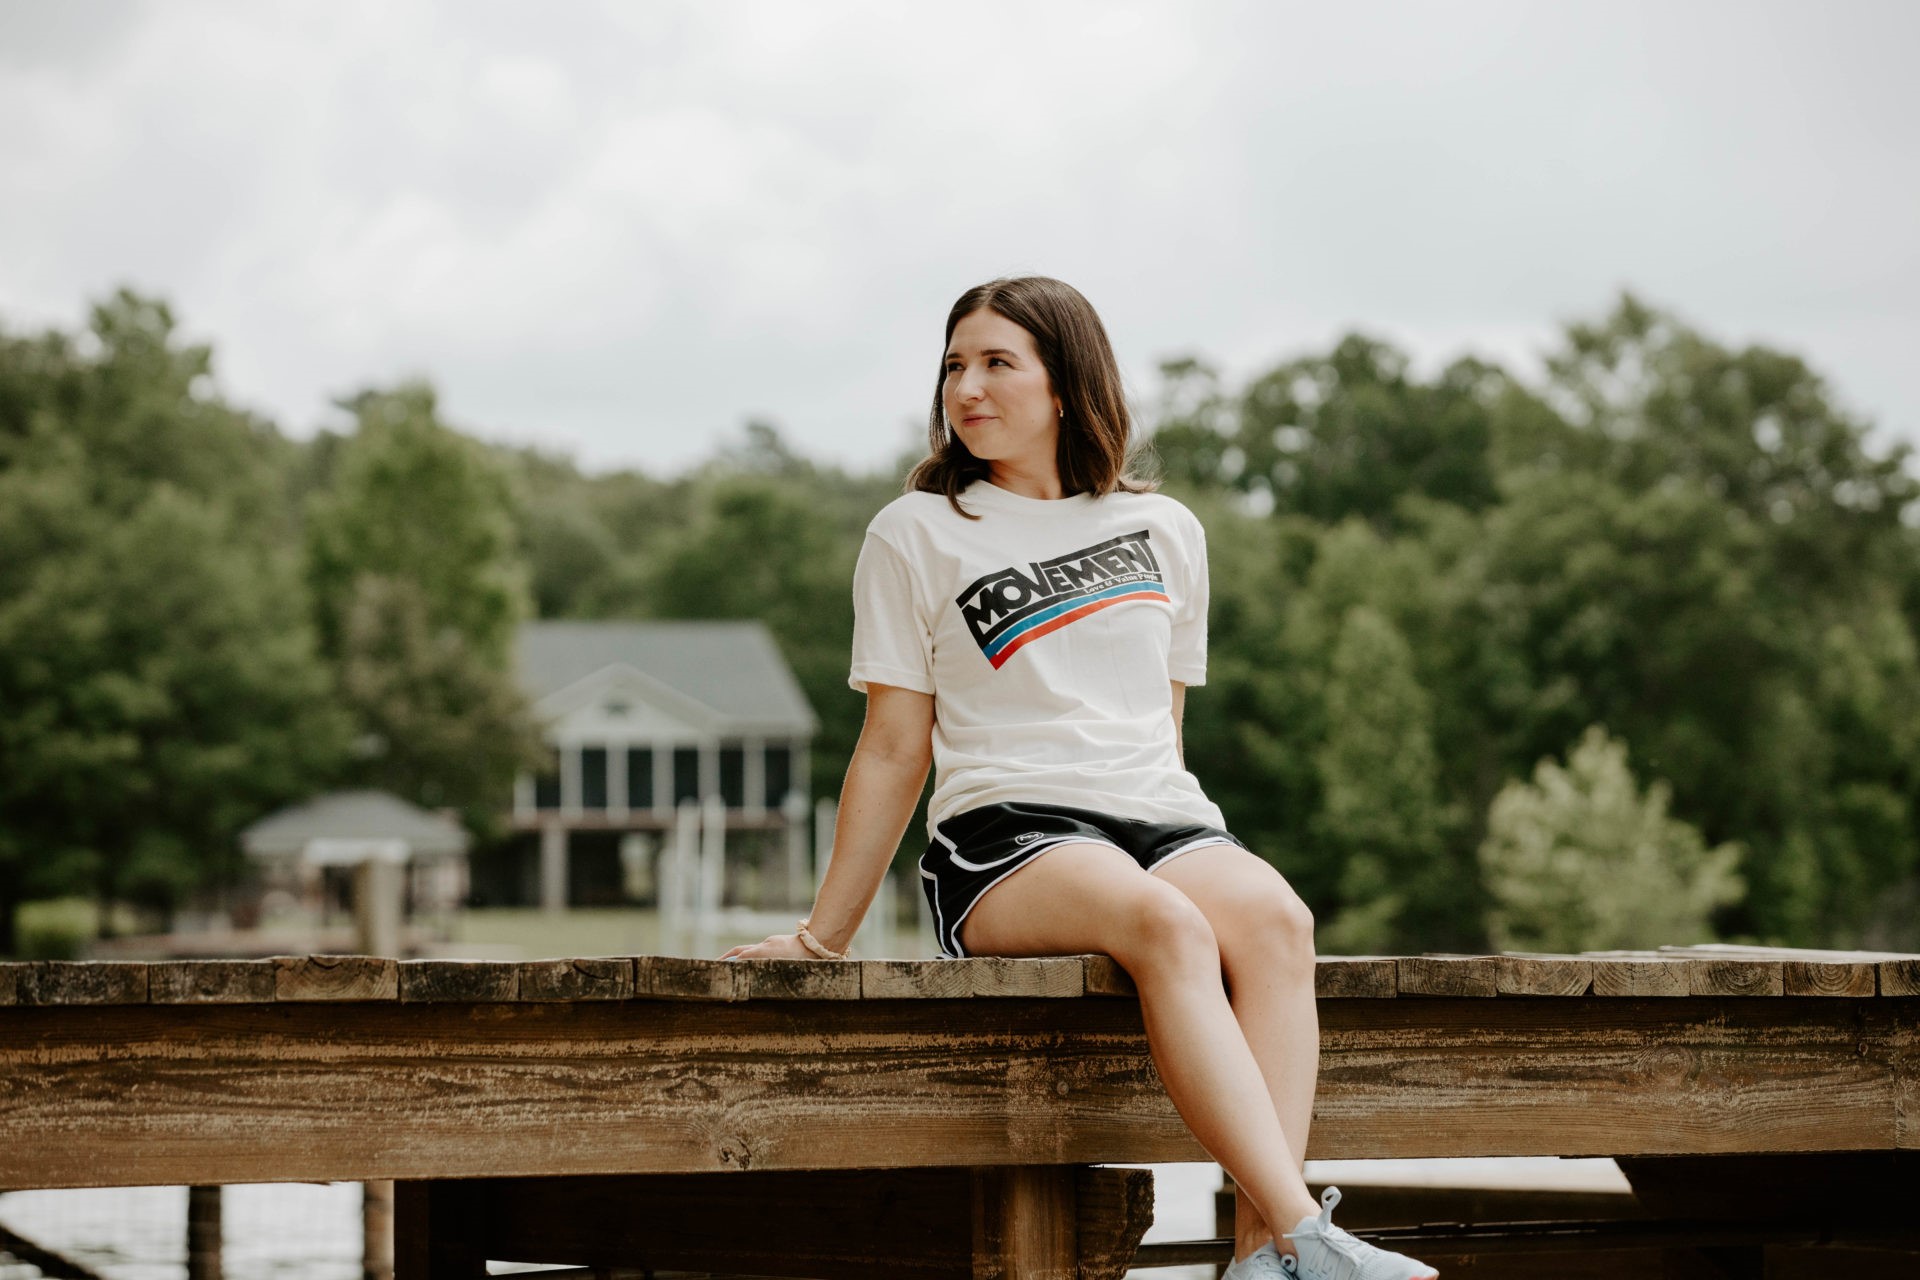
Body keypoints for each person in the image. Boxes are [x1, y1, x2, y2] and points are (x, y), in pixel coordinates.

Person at [722, 276, 1437, 1280]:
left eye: (997, 362)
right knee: (1167, 925)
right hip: (1006, 834)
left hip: (1159, 818)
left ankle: (1261, 1265)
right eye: (954, 365)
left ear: (1067, 385)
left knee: (1278, 921)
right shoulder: (917, 532)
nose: (967, 387)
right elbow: (892, 745)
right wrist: (821, 935)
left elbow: (1163, 725)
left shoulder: (1168, 531)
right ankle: (1305, 1231)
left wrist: (1188, 836)